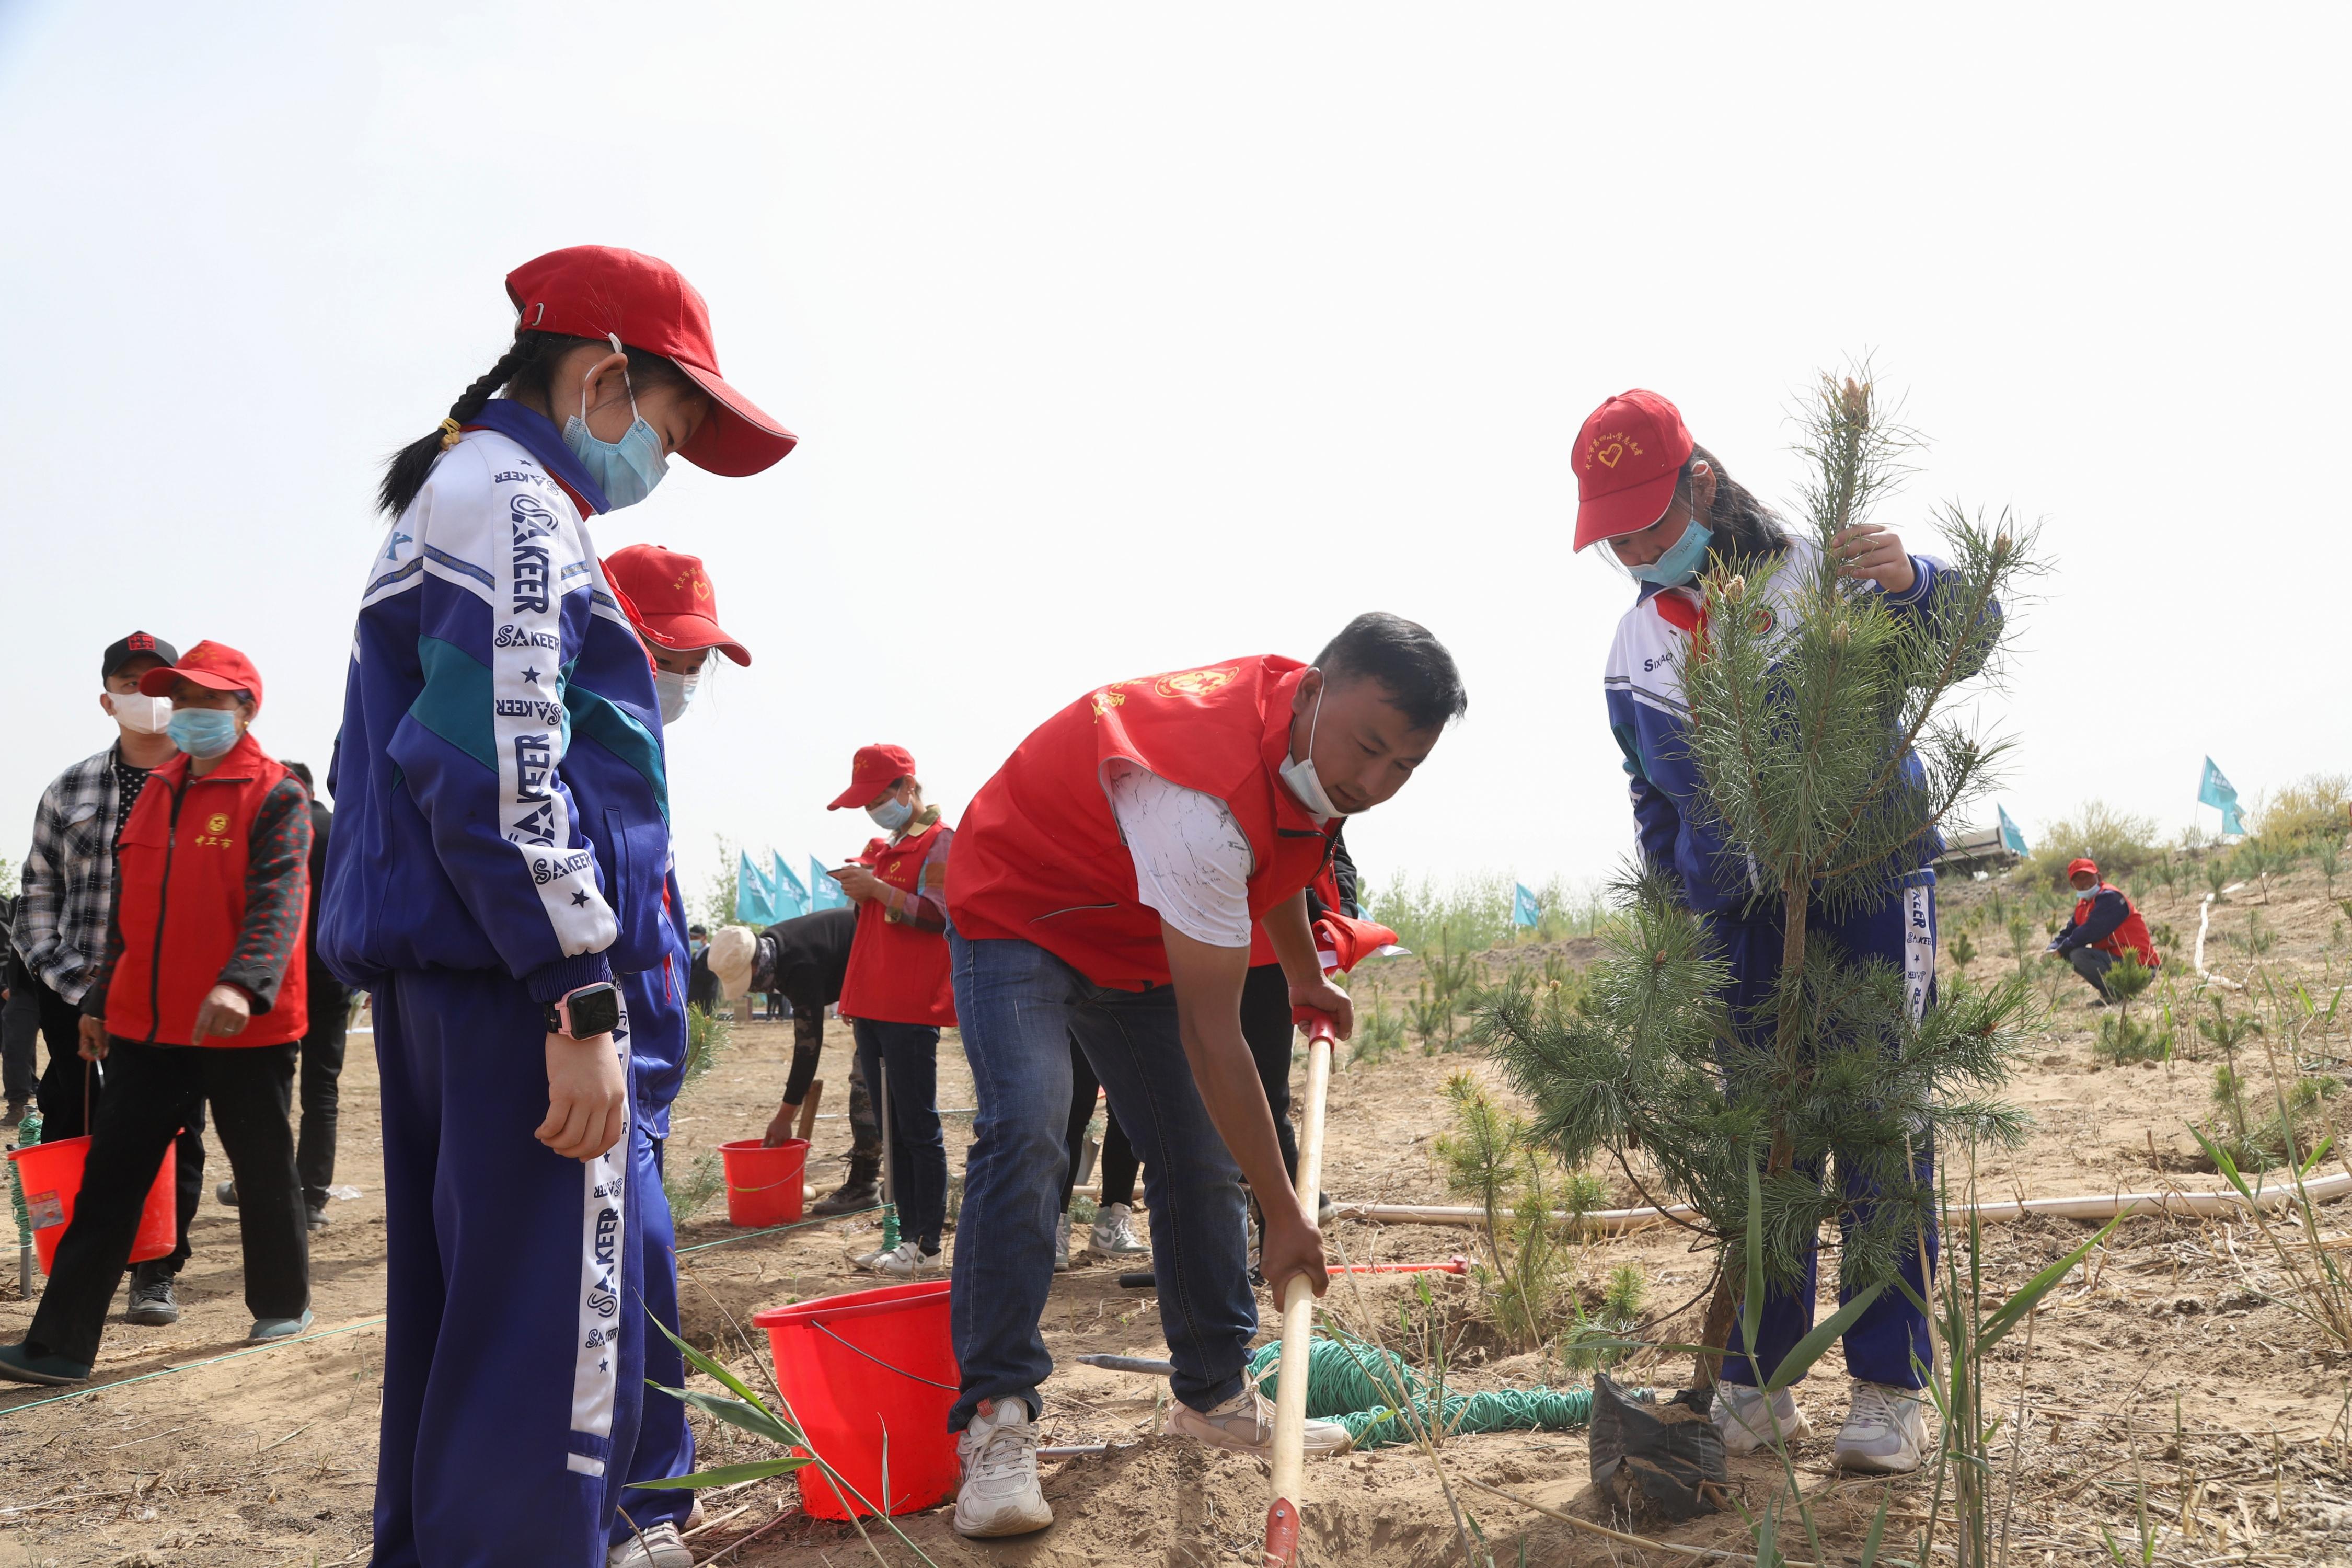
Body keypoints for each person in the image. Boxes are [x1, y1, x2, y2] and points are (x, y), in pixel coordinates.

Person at [318, 245, 794, 1568]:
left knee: (473, 1357)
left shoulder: (462, 493)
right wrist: (576, 982)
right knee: (551, 1382)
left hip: (455, 983)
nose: (668, 456)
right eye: (674, 422)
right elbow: (495, 760)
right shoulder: (519, 505)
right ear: (602, 377)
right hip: (517, 988)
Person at [941, 615, 1465, 1538]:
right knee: (1030, 1124)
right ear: (1311, 693)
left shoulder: (1308, 762)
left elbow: (1277, 866)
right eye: (1370, 749)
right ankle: (997, 1419)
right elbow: (1213, 1034)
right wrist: (1288, 1217)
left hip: (1131, 931)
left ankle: (1214, 1394)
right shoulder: (1197, 793)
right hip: (1022, 907)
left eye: (1406, 769)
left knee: (1193, 1152)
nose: (1375, 784)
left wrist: (1304, 973)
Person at [1575, 388, 1993, 1475]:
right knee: (1764, 1143)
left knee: (1877, 1128)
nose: (1633, 550)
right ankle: (1761, 1378)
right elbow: (1651, 804)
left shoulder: (1823, 572)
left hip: (1868, 884)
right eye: (1613, 534)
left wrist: (1917, 584)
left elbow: (1960, 640)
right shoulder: (1634, 652)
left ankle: (1891, 1388)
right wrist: (1681, 923)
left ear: (1700, 485)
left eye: (1649, 525)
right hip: (1743, 921)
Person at [0, 642, 314, 1385]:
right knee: (110, 1179)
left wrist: (243, 984)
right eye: (185, 701)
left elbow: (279, 902)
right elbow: (130, 914)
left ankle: (282, 1301)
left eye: (211, 702)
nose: (193, 715)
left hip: (242, 1026)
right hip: (145, 1026)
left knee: (262, 1165)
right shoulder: (157, 791)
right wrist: (101, 1000)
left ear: (246, 709)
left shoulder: (275, 795)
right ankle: (61, 1347)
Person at [599, 540, 757, 1567]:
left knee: (644, 1270)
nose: (687, 681)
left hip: (643, 1073)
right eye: (673, 656)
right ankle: (636, 1506)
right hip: (593, 1063)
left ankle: (657, 1487)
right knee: (626, 1275)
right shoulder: (572, 746)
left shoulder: (636, 753)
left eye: (698, 664)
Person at [13, 630, 207, 1325]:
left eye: (158, 683)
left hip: (178, 1002)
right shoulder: (69, 790)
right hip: (79, 998)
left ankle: (155, 1270)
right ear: (108, 699)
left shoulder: (211, 786)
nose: (145, 697)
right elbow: (35, 905)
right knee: (73, 1124)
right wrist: (70, 984)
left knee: (175, 1130)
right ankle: (72, 1265)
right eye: (130, 684)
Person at [825, 745, 956, 1278]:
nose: (874, 810)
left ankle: (927, 1244)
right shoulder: (885, 847)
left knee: (918, 1125)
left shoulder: (940, 842)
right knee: (890, 1125)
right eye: (867, 804)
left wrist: (878, 890)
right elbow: (874, 929)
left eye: (880, 798)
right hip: (874, 1003)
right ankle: (904, 1237)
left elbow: (939, 914)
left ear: (908, 789)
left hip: (910, 1005)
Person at [216, 760, 347, 1231]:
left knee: (269, 1088)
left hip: (276, 978)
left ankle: (257, 1187)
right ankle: (312, 1198)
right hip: (331, 975)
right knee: (322, 1089)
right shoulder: (339, 828)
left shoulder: (268, 824)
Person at [739, 906, 886, 1214]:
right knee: (877, 1079)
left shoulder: (797, 965)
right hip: (870, 975)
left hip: (888, 977)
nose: (753, 990)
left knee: (871, 1081)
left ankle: (866, 1182)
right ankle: (893, 1176)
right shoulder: (775, 946)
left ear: (755, 964)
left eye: (747, 980)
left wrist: (785, 1117)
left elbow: (808, 1048)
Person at [1054, 1048, 1146, 1269]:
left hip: (1129, 1014)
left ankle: (1113, 1223)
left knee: (1129, 1108)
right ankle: (1053, 1225)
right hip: (1075, 1014)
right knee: (1074, 1106)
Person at [2047, 858, 2162, 1002]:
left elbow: (2089, 931)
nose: (2084, 883)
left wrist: (2061, 950)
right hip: (2118, 962)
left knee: (2076, 954)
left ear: (2099, 877)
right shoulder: (2084, 905)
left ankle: (2119, 994)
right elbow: (2070, 931)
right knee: (2070, 952)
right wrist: (2051, 949)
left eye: (2087, 876)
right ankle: (2112, 994)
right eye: (2078, 879)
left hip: (2140, 966)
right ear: (2072, 885)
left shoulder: (2110, 897)